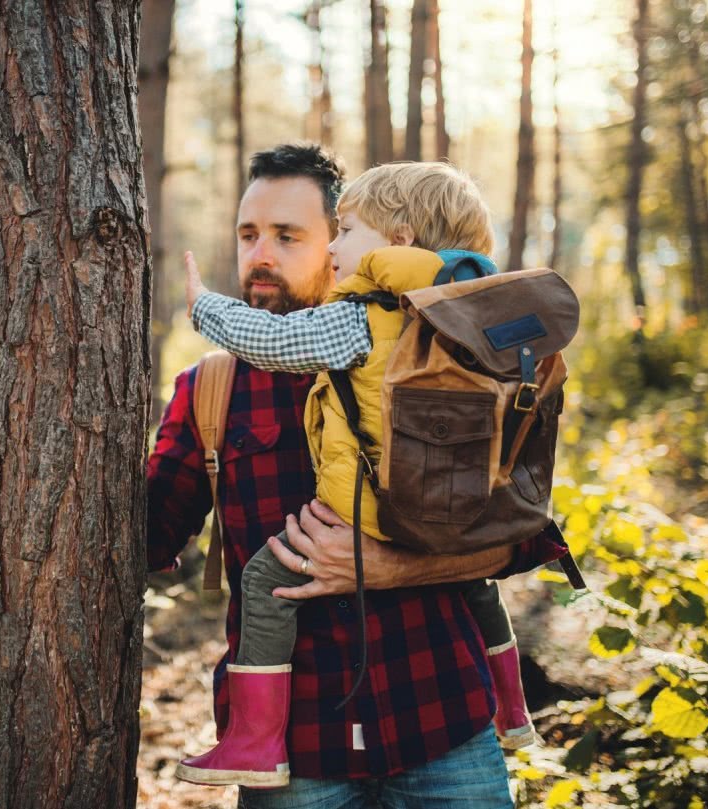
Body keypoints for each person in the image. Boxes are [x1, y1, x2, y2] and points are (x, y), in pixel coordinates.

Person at [146, 143, 569, 808]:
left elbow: (531, 535)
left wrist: (392, 564)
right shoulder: (213, 389)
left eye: (289, 236)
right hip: (297, 758)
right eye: (249, 233)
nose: (261, 254)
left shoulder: (443, 357)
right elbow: (140, 537)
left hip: (444, 729)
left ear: (345, 247)